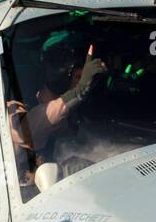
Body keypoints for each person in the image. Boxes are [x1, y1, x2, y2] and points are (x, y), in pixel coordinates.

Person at [7, 30, 107, 179]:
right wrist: (77, 92)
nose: (83, 83)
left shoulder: (76, 110)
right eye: (78, 76)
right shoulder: (17, 104)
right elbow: (24, 131)